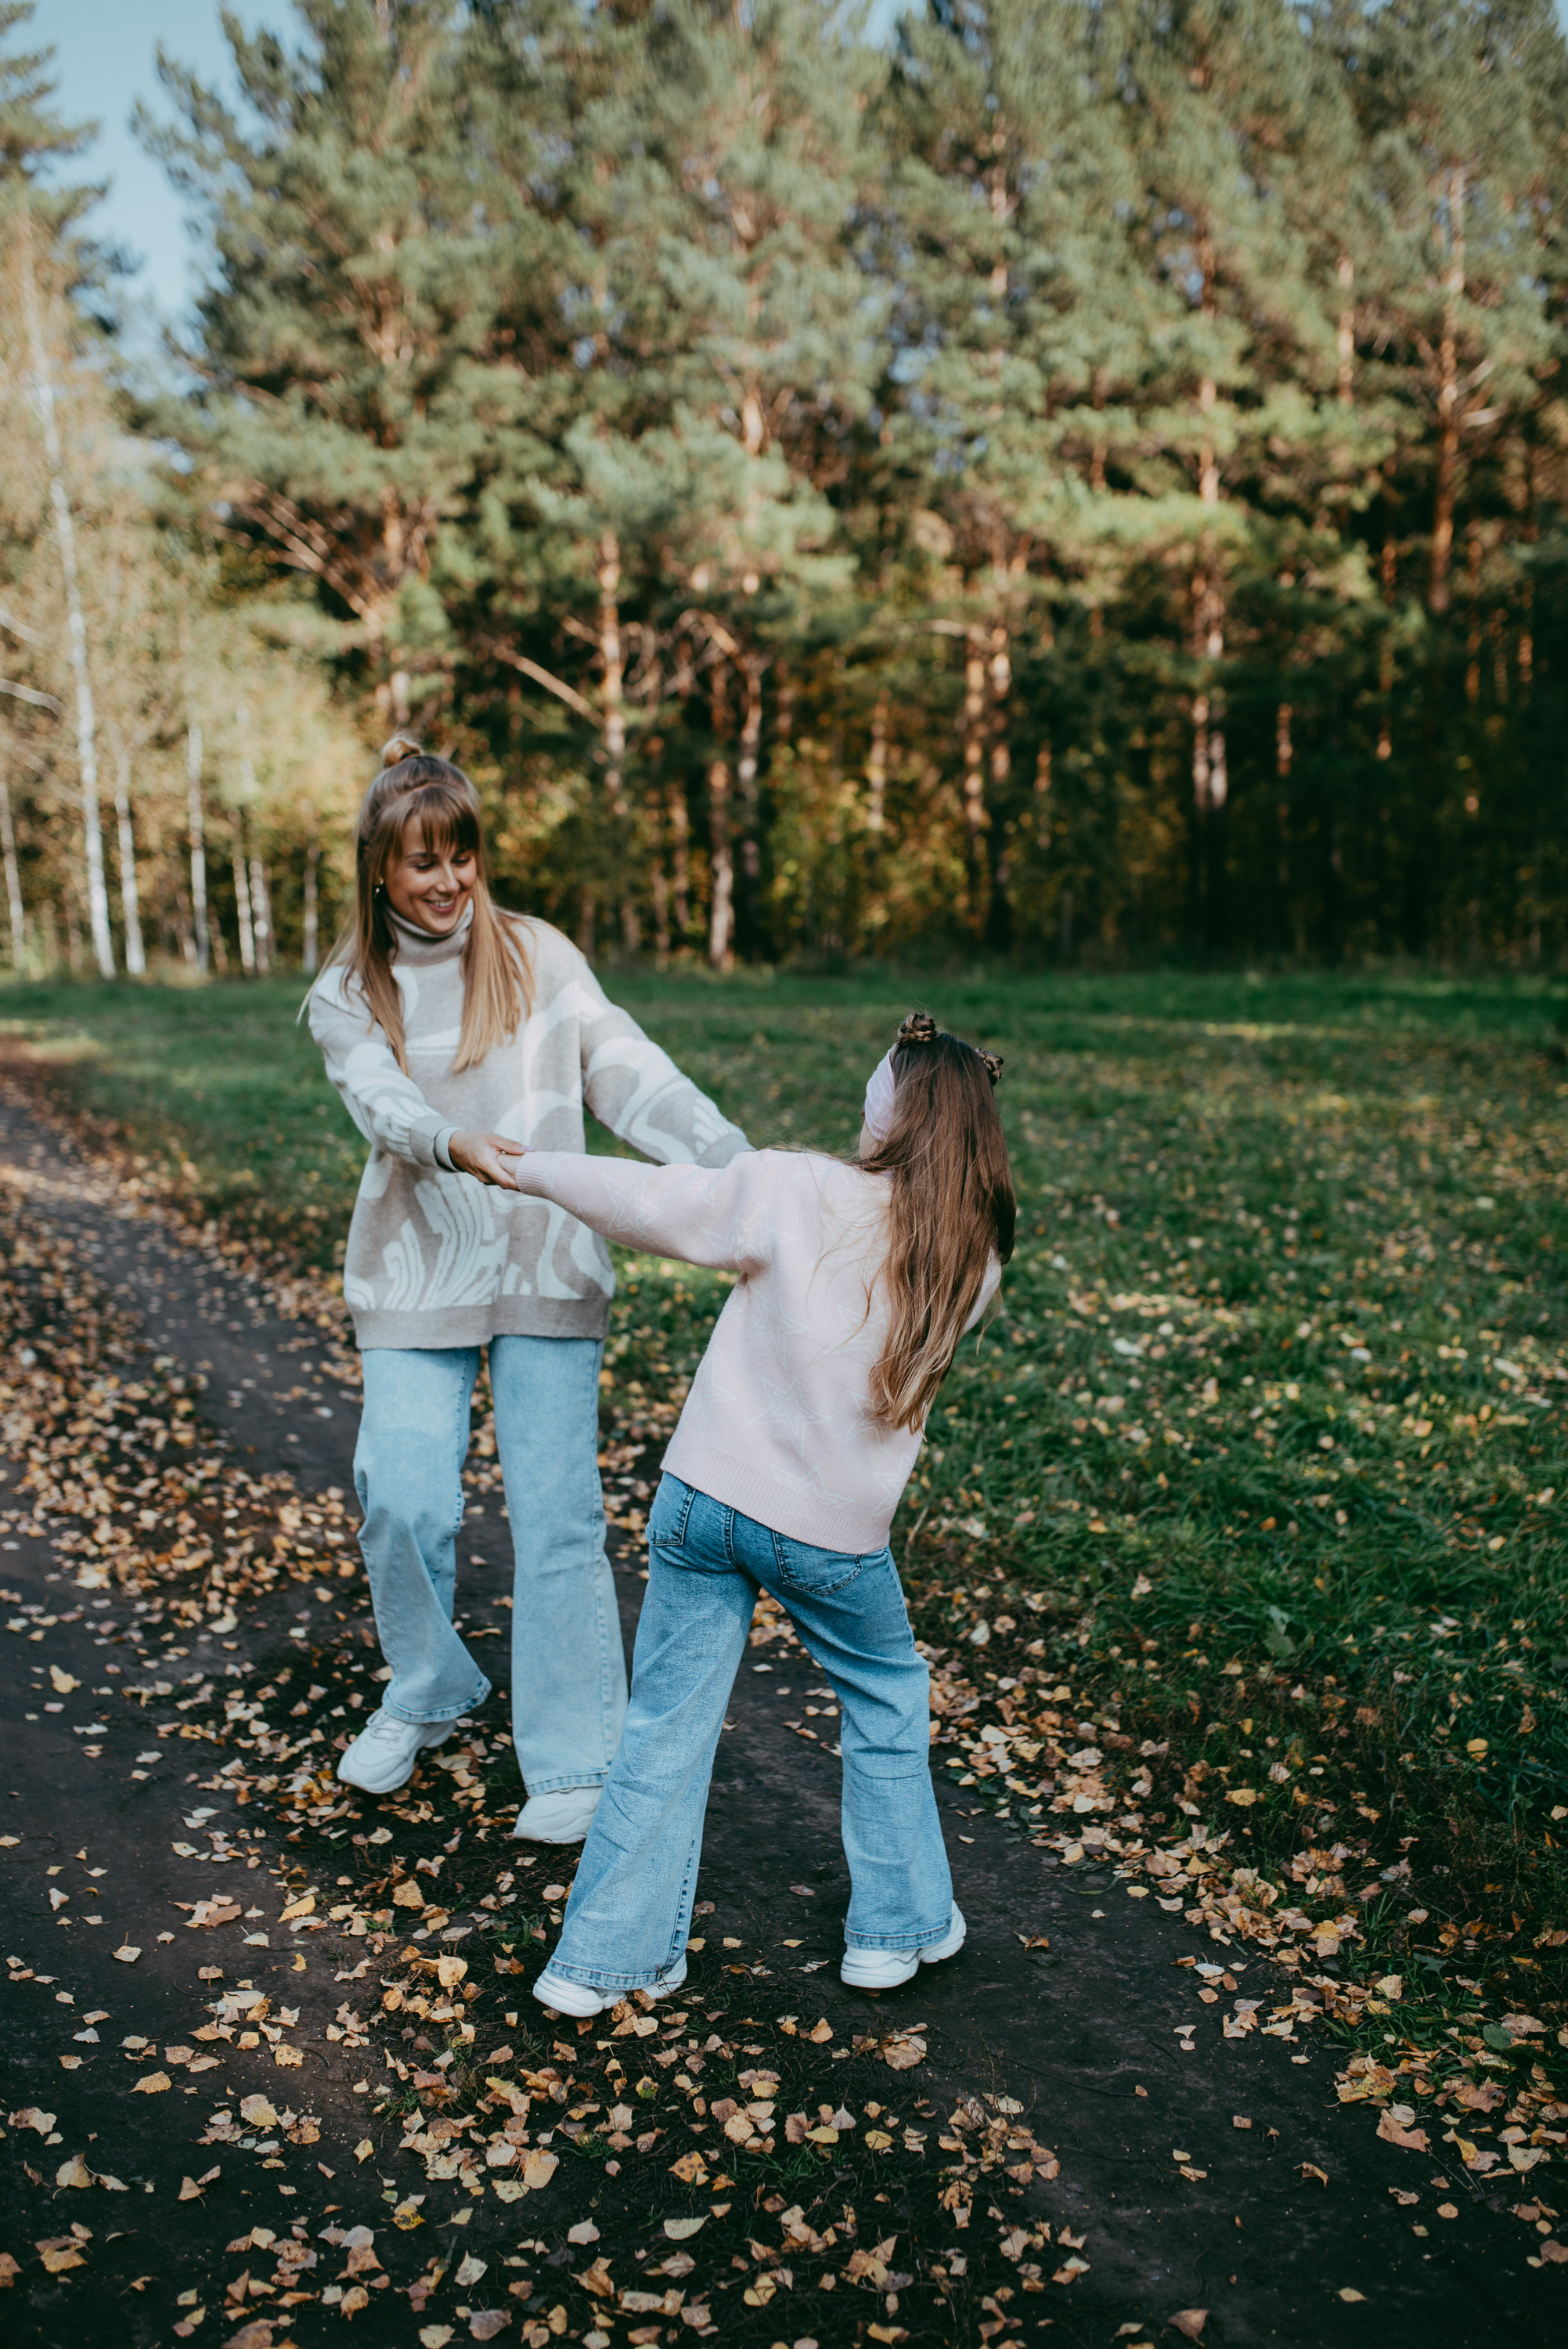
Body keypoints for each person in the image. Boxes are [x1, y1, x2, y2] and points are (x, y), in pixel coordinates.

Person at [483, 1011, 1013, 2009]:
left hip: (703, 1502)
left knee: (663, 1727)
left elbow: (649, 1198)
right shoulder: (971, 1261)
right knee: (887, 1698)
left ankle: (599, 1962)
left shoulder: (789, 1187)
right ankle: (891, 1933)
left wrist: (532, 1168)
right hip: (831, 1540)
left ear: (887, 1120)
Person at [306, 737, 749, 1839]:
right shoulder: (347, 991)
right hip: (417, 1265)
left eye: (462, 856)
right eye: (422, 863)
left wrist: (724, 1153)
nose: (448, 882)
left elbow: (622, 1066)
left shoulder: (537, 955)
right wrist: (454, 1142)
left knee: (556, 1513)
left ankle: (574, 1756)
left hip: (545, 1258)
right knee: (399, 1494)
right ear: (379, 870)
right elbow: (377, 1103)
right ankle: (428, 1687)